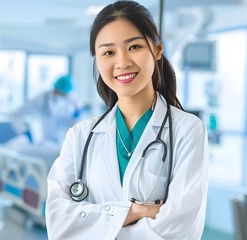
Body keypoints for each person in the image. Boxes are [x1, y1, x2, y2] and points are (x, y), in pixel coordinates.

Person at [45, 1, 209, 239]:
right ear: (98, 60)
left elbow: (179, 230)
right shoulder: (80, 136)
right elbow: (58, 223)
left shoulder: (187, 131)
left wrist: (96, 225)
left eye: (134, 47)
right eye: (108, 52)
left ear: (157, 50)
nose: (122, 62)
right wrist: (134, 212)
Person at [10, 75, 84, 147]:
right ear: (56, 89)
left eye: (65, 94)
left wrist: (78, 116)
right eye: (62, 93)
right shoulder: (41, 99)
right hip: (45, 142)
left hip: (65, 141)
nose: (64, 96)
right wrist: (24, 131)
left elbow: (80, 116)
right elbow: (16, 115)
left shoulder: (72, 98)